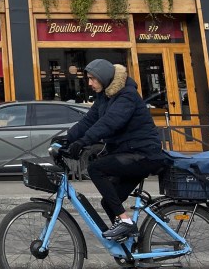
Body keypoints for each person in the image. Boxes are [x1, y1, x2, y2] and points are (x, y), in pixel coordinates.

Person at [63, 59, 168, 241]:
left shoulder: (126, 95)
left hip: (144, 154)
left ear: (103, 78)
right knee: (109, 202)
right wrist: (68, 138)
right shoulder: (104, 96)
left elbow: (110, 122)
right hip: (129, 154)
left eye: (92, 79)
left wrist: (83, 142)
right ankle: (129, 247)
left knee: (96, 168)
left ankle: (125, 222)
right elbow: (89, 121)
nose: (89, 83)